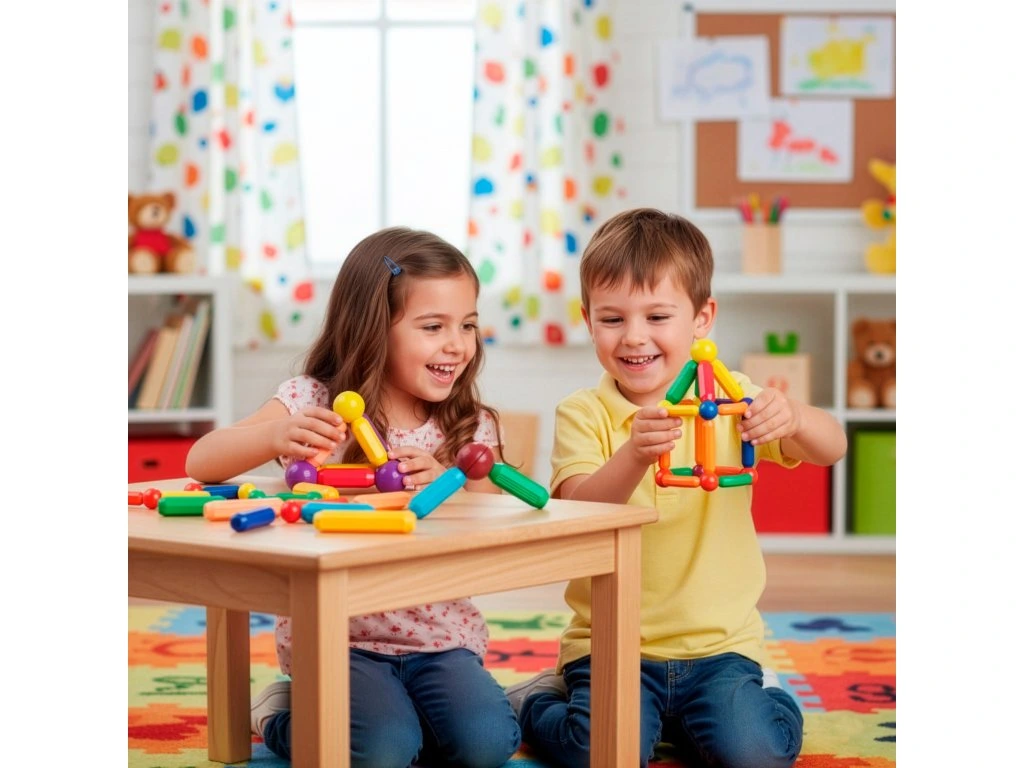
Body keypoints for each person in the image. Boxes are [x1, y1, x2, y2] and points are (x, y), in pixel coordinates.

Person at [505, 208, 848, 768]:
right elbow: (576, 512)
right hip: (611, 645)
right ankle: (540, 698)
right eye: (612, 318)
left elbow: (832, 447)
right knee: (599, 754)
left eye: (658, 316)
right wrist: (634, 454)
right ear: (588, 320)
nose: (634, 336)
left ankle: (759, 697)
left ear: (702, 317)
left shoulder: (732, 397)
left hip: (720, 647)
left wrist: (795, 417)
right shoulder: (584, 412)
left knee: (754, 754)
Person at [186, 227, 521, 768]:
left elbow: (500, 512)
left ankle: (396, 716)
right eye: (433, 326)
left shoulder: (467, 423)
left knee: (486, 745)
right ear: (371, 327)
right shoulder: (313, 400)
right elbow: (201, 460)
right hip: (340, 638)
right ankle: (281, 712)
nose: (457, 344)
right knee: (383, 752)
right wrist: (274, 436)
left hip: (441, 638)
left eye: (468, 325)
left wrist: (448, 482)